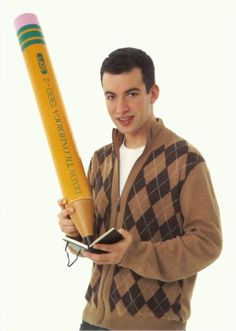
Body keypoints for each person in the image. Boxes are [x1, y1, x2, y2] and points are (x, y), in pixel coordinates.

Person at [58, 47, 222, 330]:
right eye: (111, 96)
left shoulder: (185, 160)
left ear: (153, 93)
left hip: (152, 325)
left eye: (131, 94)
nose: (120, 108)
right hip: (93, 318)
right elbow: (99, 236)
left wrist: (133, 253)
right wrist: (75, 227)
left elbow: (208, 243)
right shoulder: (100, 159)